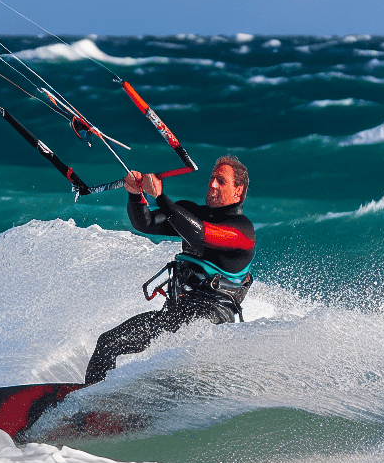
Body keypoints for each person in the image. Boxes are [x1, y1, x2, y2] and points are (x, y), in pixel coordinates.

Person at [83, 155, 256, 385]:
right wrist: (136, 195)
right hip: (175, 315)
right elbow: (145, 223)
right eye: (212, 178)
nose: (212, 184)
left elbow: (199, 234)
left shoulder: (243, 232)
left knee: (164, 376)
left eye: (221, 181)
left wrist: (161, 197)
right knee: (108, 343)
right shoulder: (191, 212)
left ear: (238, 190)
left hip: (209, 325)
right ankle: (91, 408)